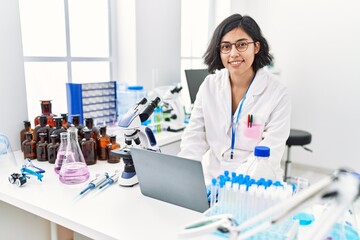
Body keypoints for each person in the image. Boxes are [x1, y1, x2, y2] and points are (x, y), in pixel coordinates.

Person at [178, 13, 291, 182]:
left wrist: (234, 185)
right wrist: (182, 176)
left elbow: (269, 152)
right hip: (213, 179)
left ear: (256, 47)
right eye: (225, 47)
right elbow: (194, 139)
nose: (233, 53)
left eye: (242, 45)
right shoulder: (209, 86)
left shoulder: (277, 92)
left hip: (255, 183)